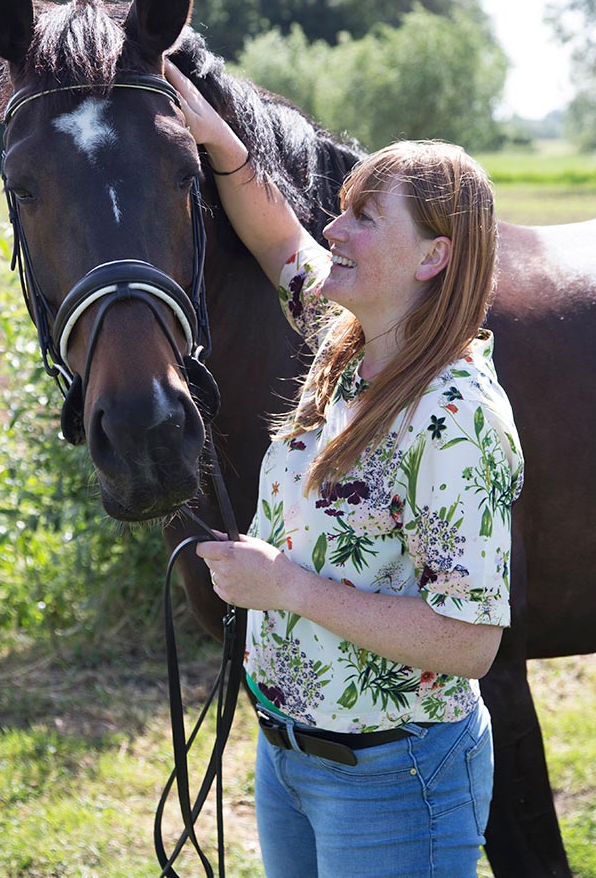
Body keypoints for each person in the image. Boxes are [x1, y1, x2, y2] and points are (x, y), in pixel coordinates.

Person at [165, 61, 524, 878]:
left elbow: (469, 640)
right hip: (292, 758)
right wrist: (218, 137)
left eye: (365, 217)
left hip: (394, 778)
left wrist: (283, 585)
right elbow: (278, 236)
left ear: (433, 256)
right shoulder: (345, 343)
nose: (335, 230)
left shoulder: (457, 414)